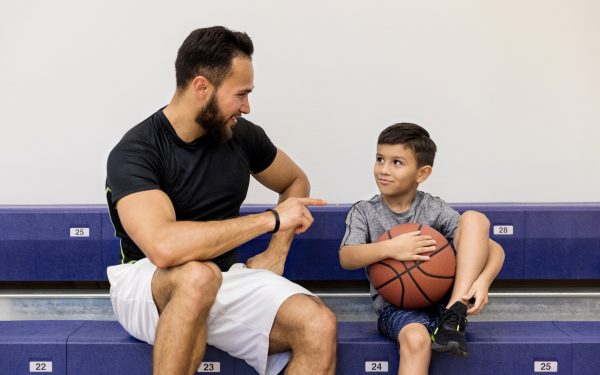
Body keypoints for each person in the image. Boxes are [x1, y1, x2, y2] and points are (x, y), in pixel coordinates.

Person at [105, 26, 337, 375]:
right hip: (148, 283)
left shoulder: (242, 136)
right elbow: (164, 248)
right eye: (240, 95)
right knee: (197, 277)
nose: (247, 106)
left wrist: (278, 249)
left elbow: (294, 180)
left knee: (318, 323)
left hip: (223, 276)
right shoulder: (137, 151)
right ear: (202, 87)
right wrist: (270, 220)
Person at [339, 123, 505, 375]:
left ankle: (454, 314)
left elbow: (494, 249)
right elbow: (347, 256)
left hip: (444, 302)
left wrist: (482, 281)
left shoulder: (433, 208)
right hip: (396, 308)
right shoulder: (364, 211)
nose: (383, 170)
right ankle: (450, 320)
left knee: (476, 219)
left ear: (422, 173)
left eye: (397, 162)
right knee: (416, 339)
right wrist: (392, 248)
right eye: (380, 159)